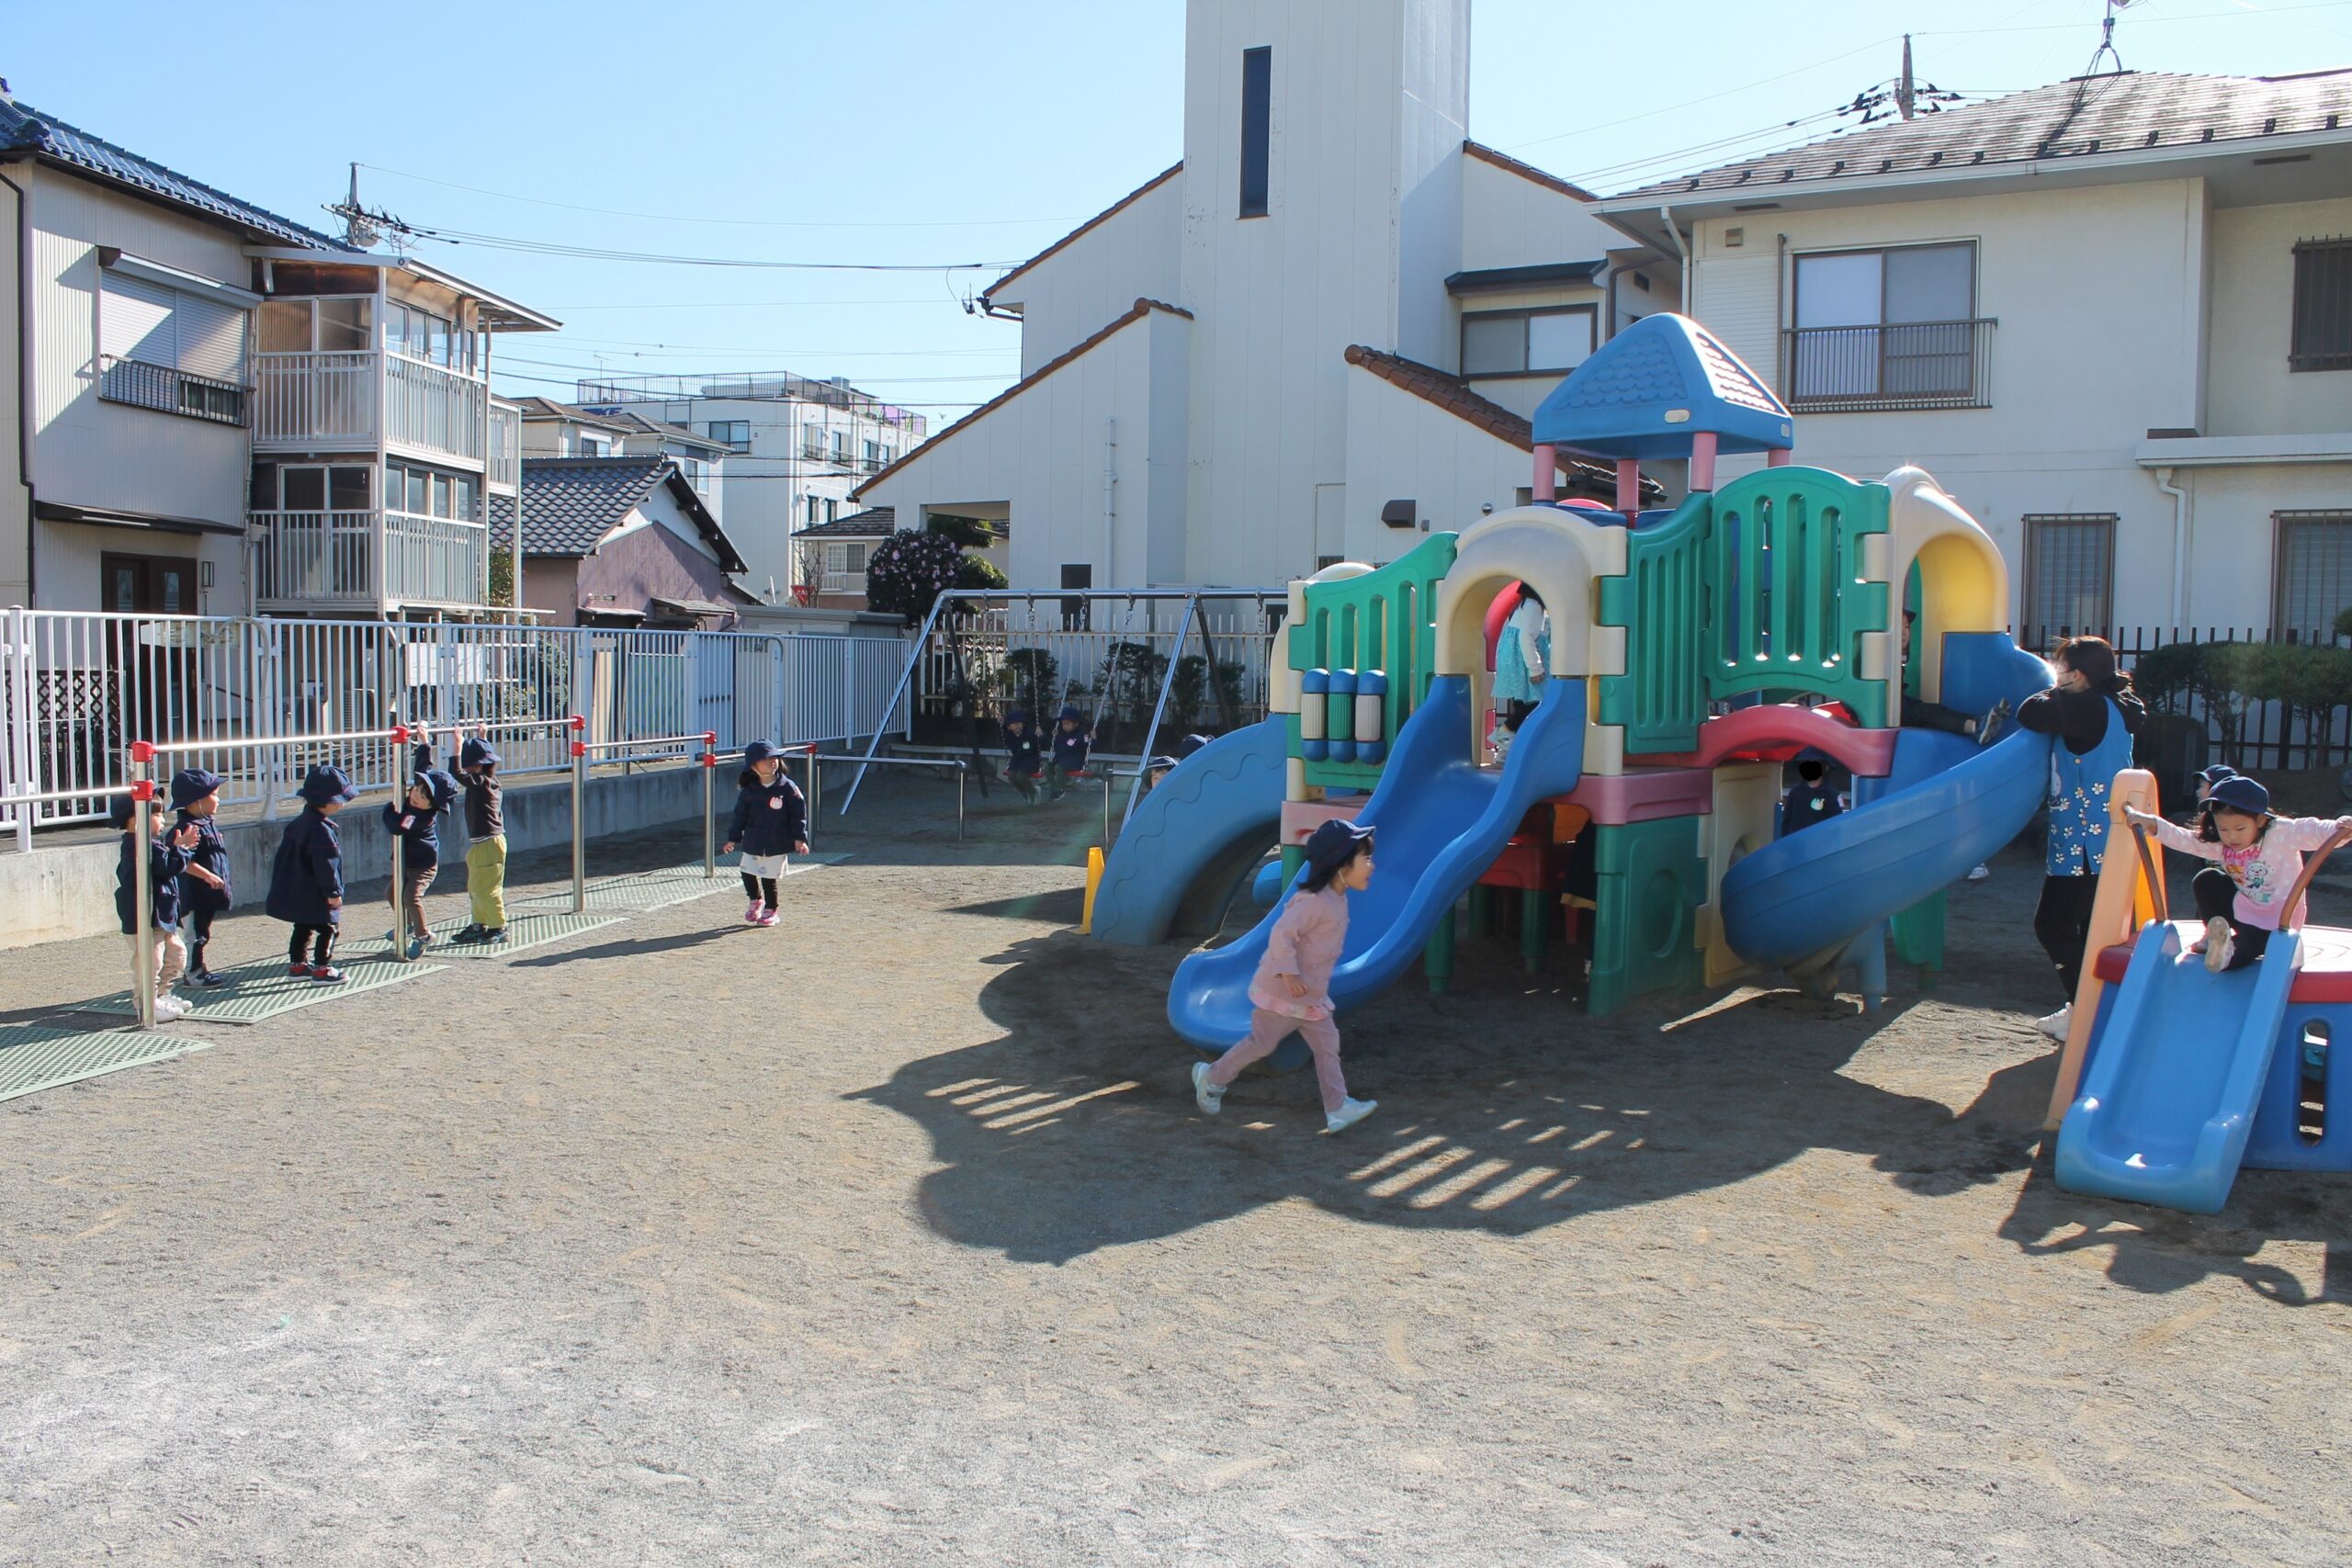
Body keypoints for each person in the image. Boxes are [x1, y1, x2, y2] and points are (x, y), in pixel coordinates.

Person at [1189, 818, 1381, 1134]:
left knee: (1327, 1045)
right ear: (1340, 865)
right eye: (1366, 859)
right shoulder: (1315, 902)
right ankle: (1211, 1078)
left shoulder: (1337, 897)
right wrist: (1289, 973)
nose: (1372, 866)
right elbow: (1281, 934)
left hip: (1310, 997)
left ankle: (1337, 1107)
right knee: (1261, 1044)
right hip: (1283, 992)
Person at [2017, 636, 2145, 1041]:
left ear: (2078, 674)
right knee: (2091, 929)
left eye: (2062, 668)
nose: (2057, 676)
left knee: (2052, 925)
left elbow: (2029, 713)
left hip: (2084, 845)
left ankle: (2085, 1008)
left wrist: (2055, 689)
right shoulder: (2120, 705)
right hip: (2111, 840)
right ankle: (2095, 1008)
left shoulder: (2083, 706)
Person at [2125, 775, 2352, 974]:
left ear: (2261, 820)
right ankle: (2215, 932)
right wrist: (2151, 824)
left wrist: (2338, 829)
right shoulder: (2222, 844)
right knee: (2207, 879)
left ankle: (2226, 956)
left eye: (2240, 829)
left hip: (2277, 921)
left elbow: (2312, 830)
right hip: (2244, 911)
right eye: (2223, 829)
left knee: (2247, 948)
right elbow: (2185, 839)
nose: (2231, 836)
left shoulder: (2282, 833)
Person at [114, 791, 198, 1021]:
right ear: (136, 818)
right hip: (147, 918)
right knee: (151, 962)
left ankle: (161, 994)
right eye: (158, 815)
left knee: (177, 955)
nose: (163, 820)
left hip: (162, 916)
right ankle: (145, 1003)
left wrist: (177, 848)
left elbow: (164, 865)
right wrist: (181, 848)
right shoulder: (137, 846)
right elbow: (165, 867)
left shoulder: (152, 844)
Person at [266, 764, 354, 984]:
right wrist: (333, 892)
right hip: (316, 890)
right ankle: (322, 969)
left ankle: (298, 965)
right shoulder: (322, 831)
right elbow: (327, 866)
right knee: (329, 928)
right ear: (331, 801)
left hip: (297, 887)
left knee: (302, 925)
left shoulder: (299, 823)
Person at [428, 727, 506, 945]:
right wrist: (483, 738)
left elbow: (457, 774)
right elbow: (478, 763)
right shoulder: (487, 781)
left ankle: (499, 926)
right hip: (483, 843)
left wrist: (458, 744)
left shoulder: (483, 784)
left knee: (487, 889)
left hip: (489, 842)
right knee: (476, 887)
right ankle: (479, 924)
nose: (467, 769)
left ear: (479, 765)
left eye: (470, 765)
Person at [722, 739, 808, 928]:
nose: (772, 762)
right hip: (753, 839)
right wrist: (733, 838)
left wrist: (800, 838)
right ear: (753, 765)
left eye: (774, 757)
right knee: (747, 871)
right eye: (766, 759)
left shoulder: (788, 787)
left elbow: (799, 814)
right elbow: (740, 816)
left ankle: (771, 909)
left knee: (769, 877)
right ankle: (755, 900)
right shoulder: (750, 790)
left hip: (777, 841)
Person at [382, 759, 459, 958]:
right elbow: (421, 769)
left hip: (423, 866)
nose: (415, 796)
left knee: (410, 897)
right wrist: (424, 743)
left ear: (433, 805)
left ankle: (424, 935)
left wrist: (388, 810)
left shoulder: (420, 818)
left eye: (423, 797)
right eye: (416, 790)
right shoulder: (412, 802)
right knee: (392, 893)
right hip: (407, 862)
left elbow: (396, 826)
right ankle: (407, 925)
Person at [1899, 610, 2007, 745]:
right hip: (1889, 711)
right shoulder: (1879, 657)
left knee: (1930, 711)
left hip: (1897, 705)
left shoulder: (1893, 659)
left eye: (1906, 627)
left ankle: (1981, 722)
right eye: (1898, 626)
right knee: (1928, 713)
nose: (1904, 633)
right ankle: (1976, 727)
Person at [170, 768, 232, 987]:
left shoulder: (207, 823)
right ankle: (193, 972)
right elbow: (183, 861)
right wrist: (207, 876)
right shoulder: (187, 829)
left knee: (201, 932)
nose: (217, 800)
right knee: (195, 934)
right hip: (194, 894)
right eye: (213, 795)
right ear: (195, 801)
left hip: (206, 894)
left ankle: (196, 969)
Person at [1490, 585, 1550, 755]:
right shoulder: (1534, 606)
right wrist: (1535, 668)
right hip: (1524, 660)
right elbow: (1526, 636)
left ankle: (1508, 748)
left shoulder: (1525, 604)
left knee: (1522, 702)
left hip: (1515, 659)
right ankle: (1505, 732)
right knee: (1536, 701)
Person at [1047, 705, 1093, 800]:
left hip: (1074, 761)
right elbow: (1057, 747)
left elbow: (1088, 748)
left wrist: (1094, 738)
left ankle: (1060, 790)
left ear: (1076, 723)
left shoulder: (1082, 735)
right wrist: (1054, 737)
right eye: (1063, 724)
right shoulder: (1062, 735)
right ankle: (1054, 789)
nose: (1065, 726)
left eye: (1067, 724)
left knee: (1059, 768)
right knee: (1047, 768)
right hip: (1062, 760)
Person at [1001, 707, 1044, 803]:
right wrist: (1000, 723)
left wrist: (1041, 736)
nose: (1017, 725)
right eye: (1013, 723)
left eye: (1019, 723)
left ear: (1024, 724)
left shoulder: (1030, 734)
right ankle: (1025, 792)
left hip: (1031, 760)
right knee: (1011, 777)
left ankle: (1032, 792)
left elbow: (1041, 743)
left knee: (1021, 777)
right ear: (1009, 727)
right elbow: (1002, 732)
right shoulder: (1009, 735)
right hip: (1017, 761)